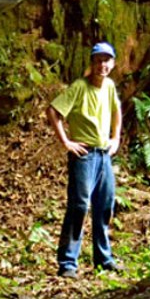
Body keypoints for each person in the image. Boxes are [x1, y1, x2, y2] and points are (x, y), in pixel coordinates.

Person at [47, 41, 123, 278]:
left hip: (103, 156)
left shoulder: (109, 86)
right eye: (98, 60)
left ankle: (104, 258)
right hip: (84, 155)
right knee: (79, 205)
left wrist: (116, 137)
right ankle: (68, 262)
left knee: (105, 205)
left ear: (112, 64)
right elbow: (54, 111)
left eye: (106, 60)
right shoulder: (80, 87)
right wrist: (66, 142)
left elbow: (116, 111)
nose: (103, 65)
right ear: (92, 62)